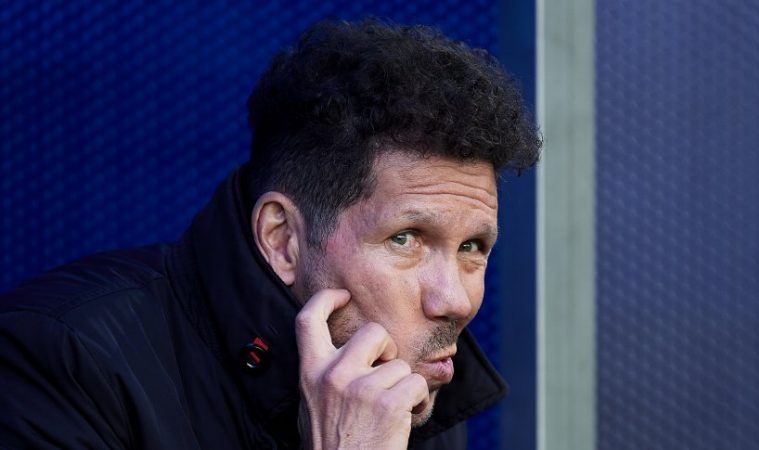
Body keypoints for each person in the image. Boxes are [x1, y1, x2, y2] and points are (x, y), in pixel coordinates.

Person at [0, 18, 540, 449]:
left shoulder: (405, 383)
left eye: (472, 247)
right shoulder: (62, 359)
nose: (456, 300)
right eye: (407, 238)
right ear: (282, 240)